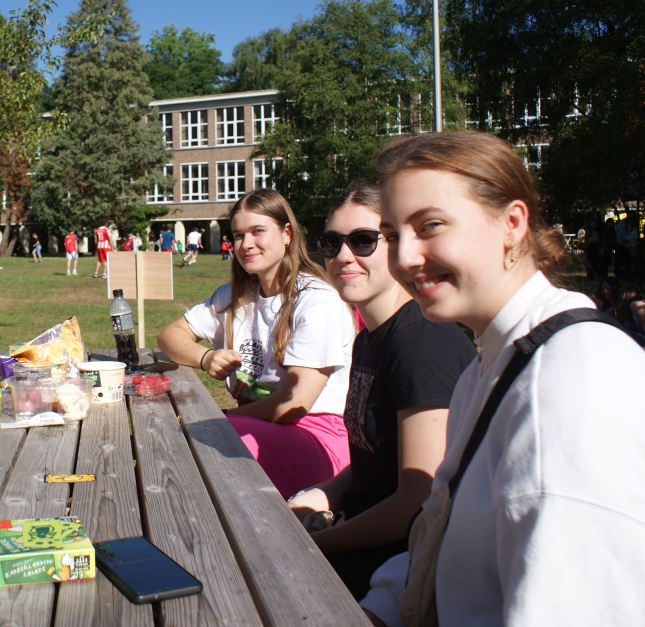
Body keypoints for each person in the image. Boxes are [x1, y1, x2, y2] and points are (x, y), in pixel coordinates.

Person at [360, 131, 645, 626]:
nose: (403, 258)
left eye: (430, 225)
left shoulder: (571, 381)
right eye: (391, 235)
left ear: (512, 225)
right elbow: (449, 549)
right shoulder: (491, 364)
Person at [287, 180, 474, 599]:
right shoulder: (369, 338)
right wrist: (318, 495)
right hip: (365, 534)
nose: (342, 256)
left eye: (363, 241)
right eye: (332, 242)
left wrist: (311, 545)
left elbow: (416, 501)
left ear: (397, 247)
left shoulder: (422, 341)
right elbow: (378, 459)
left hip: (407, 564)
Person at [158, 189, 354, 499]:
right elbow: (169, 336)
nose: (246, 244)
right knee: (173, 432)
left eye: (257, 231)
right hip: (254, 428)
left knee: (203, 439)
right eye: (237, 235)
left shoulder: (316, 300)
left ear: (286, 233)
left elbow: (293, 404)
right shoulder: (236, 295)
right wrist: (206, 357)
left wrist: (224, 418)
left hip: (316, 438)